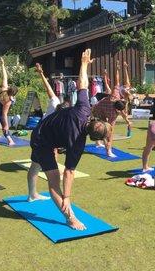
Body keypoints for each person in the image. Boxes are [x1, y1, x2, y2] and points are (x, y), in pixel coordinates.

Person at [27, 49, 112, 230]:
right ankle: (69, 217)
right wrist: (66, 196)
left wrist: (83, 64)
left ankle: (32, 194)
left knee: (35, 164)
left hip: (42, 131)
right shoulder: (77, 144)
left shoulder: (84, 110)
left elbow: (82, 84)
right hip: (42, 140)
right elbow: (68, 173)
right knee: (53, 179)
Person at [91, 61, 132, 158]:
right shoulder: (114, 113)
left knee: (103, 127)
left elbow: (117, 79)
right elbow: (121, 113)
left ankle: (98, 143)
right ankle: (108, 151)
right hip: (98, 110)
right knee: (107, 131)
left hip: (98, 108)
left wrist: (117, 68)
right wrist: (127, 121)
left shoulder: (115, 94)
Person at [0, 58, 18, 145]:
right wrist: (6, 125)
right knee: (4, 125)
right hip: (1, 111)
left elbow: (5, 77)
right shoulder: (7, 100)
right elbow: (4, 114)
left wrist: (2, 65)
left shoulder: (4, 89)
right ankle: (10, 140)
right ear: (13, 93)